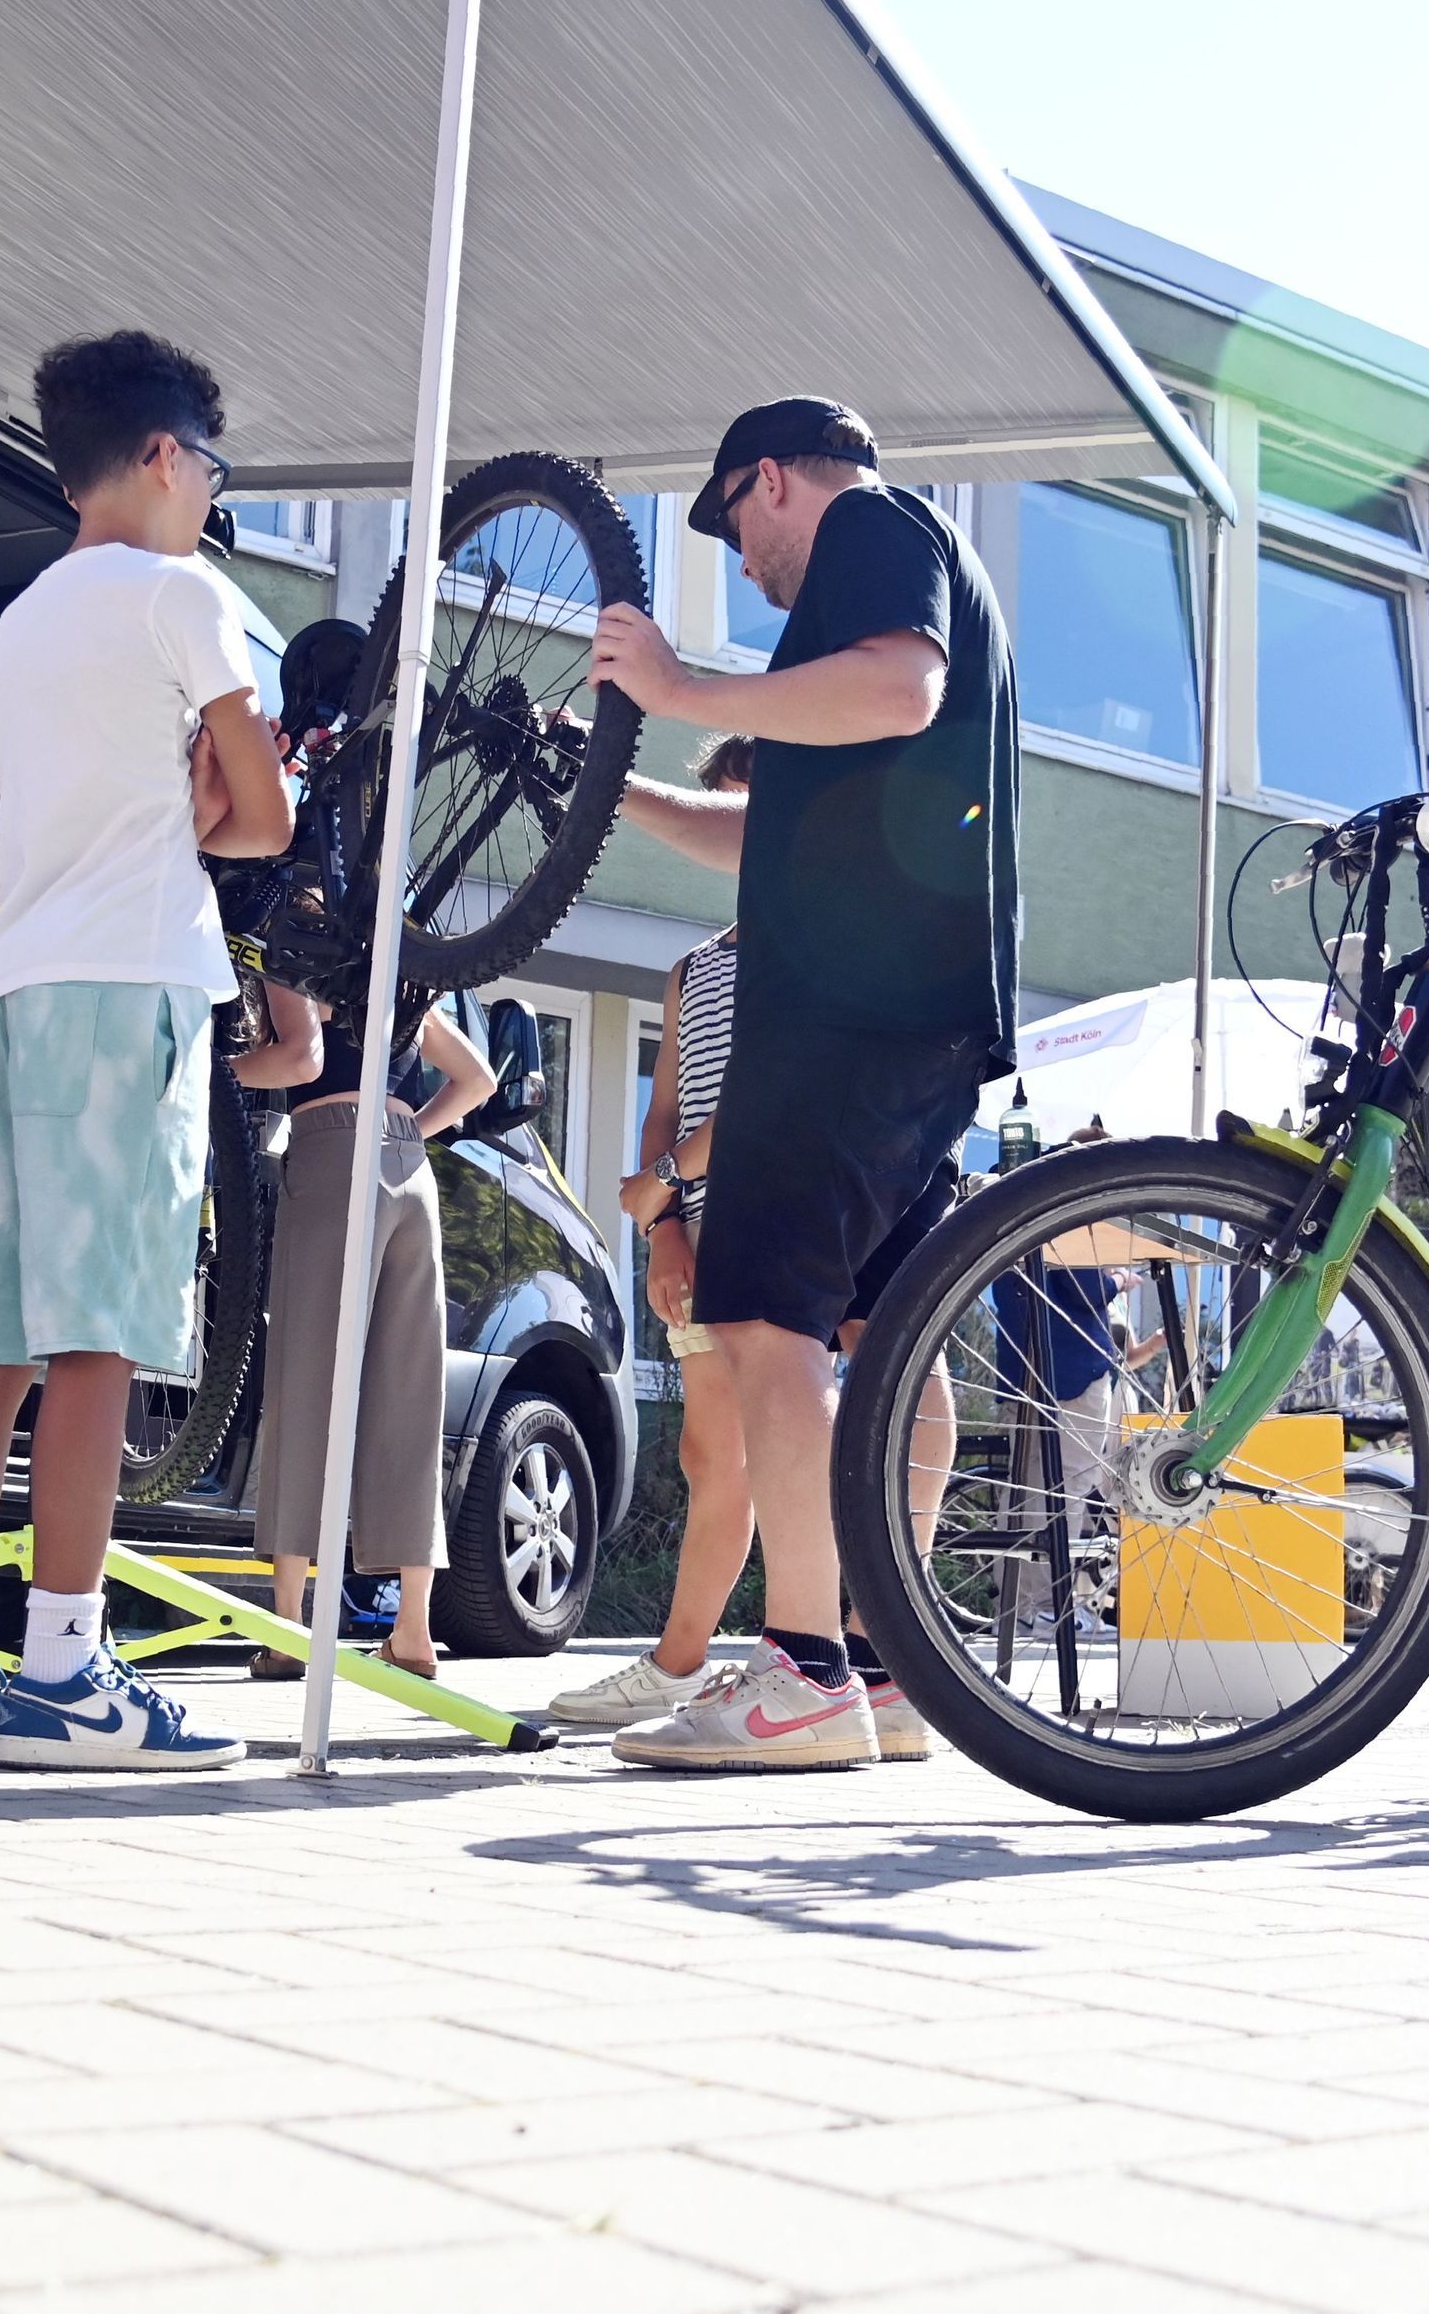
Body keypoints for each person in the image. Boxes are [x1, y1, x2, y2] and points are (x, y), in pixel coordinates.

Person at [0, 332, 294, 1771]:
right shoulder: (189, 596)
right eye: (213, 472)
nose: (210, 501)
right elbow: (264, 823)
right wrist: (212, 797)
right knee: (102, 1328)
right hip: (131, 982)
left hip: (14, 986)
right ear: (169, 456)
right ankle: (64, 1664)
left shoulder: (15, 627)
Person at [583, 397, 1018, 1772]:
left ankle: (804, 1671)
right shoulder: (901, 580)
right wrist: (618, 796)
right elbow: (768, 829)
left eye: (733, 526)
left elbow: (903, 686)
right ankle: (882, 1673)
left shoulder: (876, 529)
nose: (747, 564)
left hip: (843, 1013)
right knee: (881, 1338)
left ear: (770, 480)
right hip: (910, 1008)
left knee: (765, 1321)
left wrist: (687, 689)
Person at [555, 737, 759, 1727]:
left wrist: (669, 1181)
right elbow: (665, 1106)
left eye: (744, 817)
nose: (728, 842)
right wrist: (666, 1229)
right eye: (717, 818)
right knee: (711, 1456)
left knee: (790, 1447)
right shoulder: (694, 969)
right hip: (703, 1234)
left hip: (782, 1225)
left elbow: (767, 1096)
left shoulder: (814, 948)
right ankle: (679, 1666)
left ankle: (769, 1657)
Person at [243, 983, 494, 1684]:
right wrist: (412, 1132)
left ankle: (289, 1624)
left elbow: (296, 1061)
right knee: (411, 1398)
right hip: (412, 1171)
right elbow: (480, 1079)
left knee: (305, 1385)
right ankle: (413, 1627)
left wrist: (210, 1066)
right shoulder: (400, 975)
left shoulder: (302, 954)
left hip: (330, 1153)